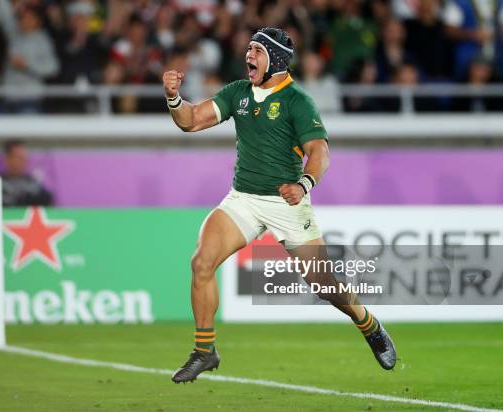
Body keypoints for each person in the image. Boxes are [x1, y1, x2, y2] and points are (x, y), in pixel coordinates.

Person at [162, 27, 397, 384]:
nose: (249, 55)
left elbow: (321, 152)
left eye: (257, 50)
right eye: (249, 48)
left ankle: (368, 323)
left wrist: (304, 184)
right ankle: (205, 351)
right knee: (202, 261)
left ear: (278, 59)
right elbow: (192, 121)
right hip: (243, 199)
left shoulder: (297, 101)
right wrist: (174, 98)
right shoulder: (239, 92)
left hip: (287, 204)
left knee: (324, 284)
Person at [1, 139, 53, 207]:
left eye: (24, 157)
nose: (23, 161)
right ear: (7, 159)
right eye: (18, 157)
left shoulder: (34, 184)